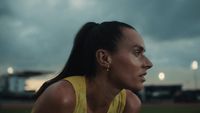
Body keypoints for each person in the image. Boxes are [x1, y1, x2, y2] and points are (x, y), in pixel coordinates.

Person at [31, 21, 153, 113]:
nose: (148, 64)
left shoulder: (130, 105)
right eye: (137, 52)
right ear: (104, 58)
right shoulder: (62, 98)